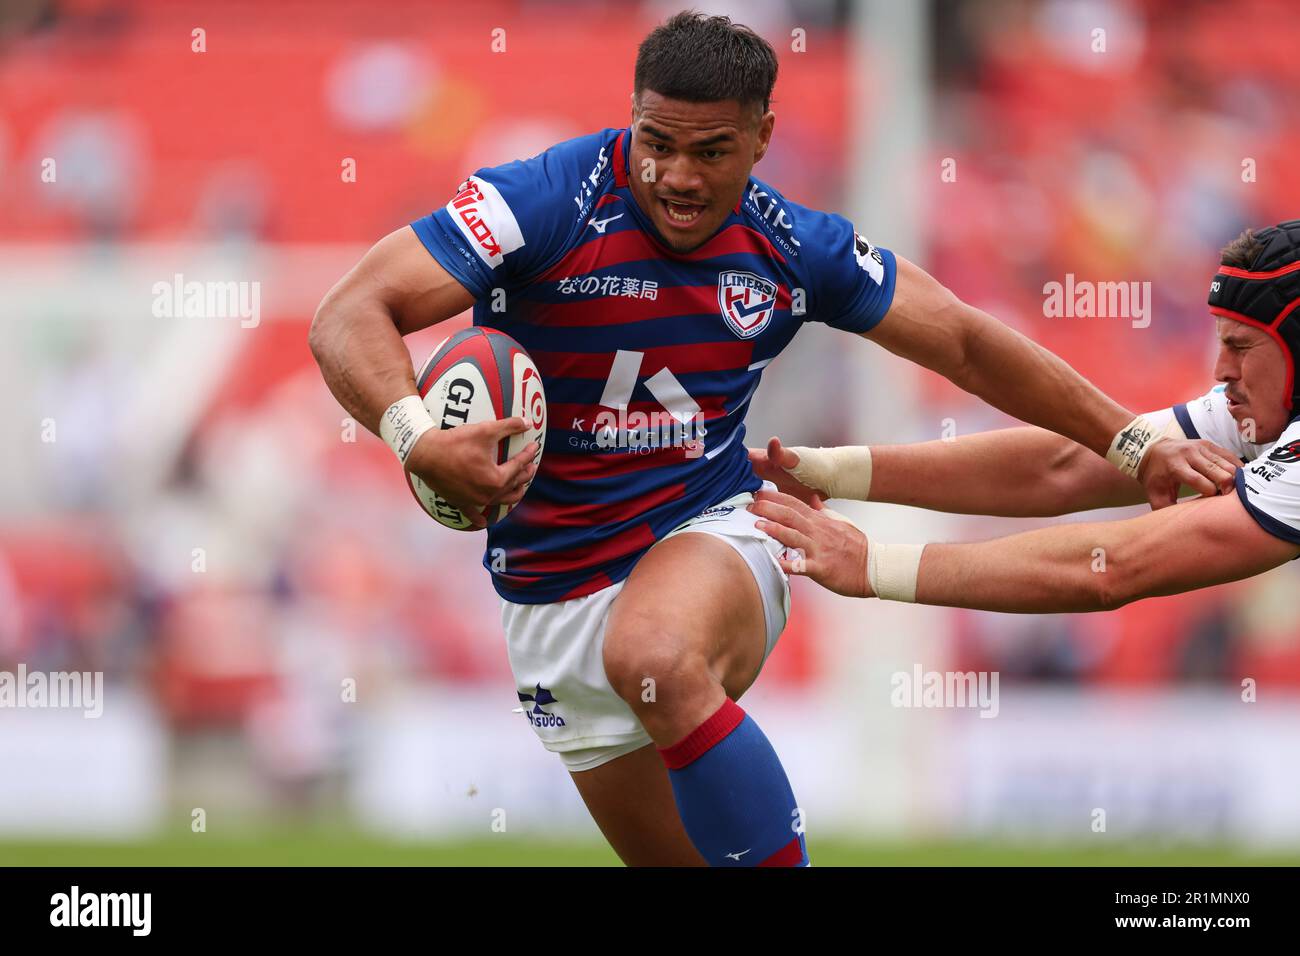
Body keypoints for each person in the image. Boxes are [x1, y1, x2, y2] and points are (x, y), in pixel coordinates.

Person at [309, 12, 1235, 867]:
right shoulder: (543, 204)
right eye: (657, 143)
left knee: (658, 660)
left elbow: (962, 339)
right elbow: (350, 313)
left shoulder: (793, 247)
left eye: (710, 151)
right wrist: (414, 435)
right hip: (548, 602)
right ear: (632, 116)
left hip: (708, 535)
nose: (675, 174)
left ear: (761, 137)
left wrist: (1130, 441)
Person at [750, 222, 1300, 615]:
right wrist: (828, 471)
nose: (1221, 368)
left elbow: (1111, 569)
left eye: (1242, 346)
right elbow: (1062, 466)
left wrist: (873, 565)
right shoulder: (1262, 407)